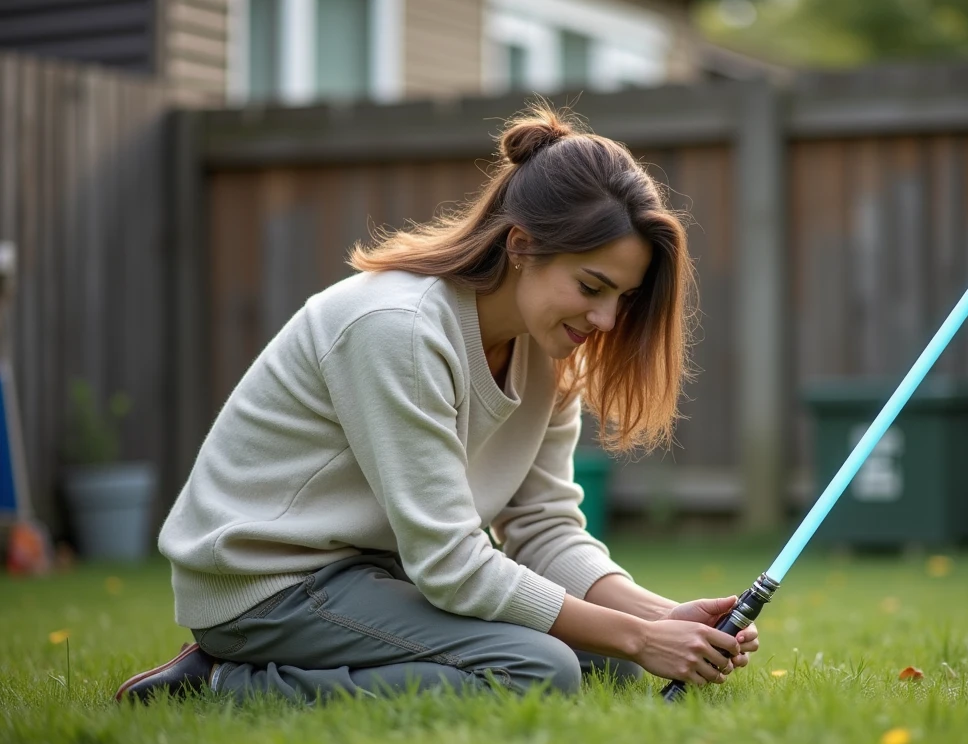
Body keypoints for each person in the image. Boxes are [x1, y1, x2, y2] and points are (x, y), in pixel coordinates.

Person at [115, 102, 758, 704]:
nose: (608, 319)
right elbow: (451, 562)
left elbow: (543, 527)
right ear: (522, 245)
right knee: (544, 668)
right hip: (269, 586)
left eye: (623, 297)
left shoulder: (548, 352)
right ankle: (226, 680)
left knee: (610, 658)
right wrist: (640, 637)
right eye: (592, 286)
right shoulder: (397, 327)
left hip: (381, 576)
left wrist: (655, 617)